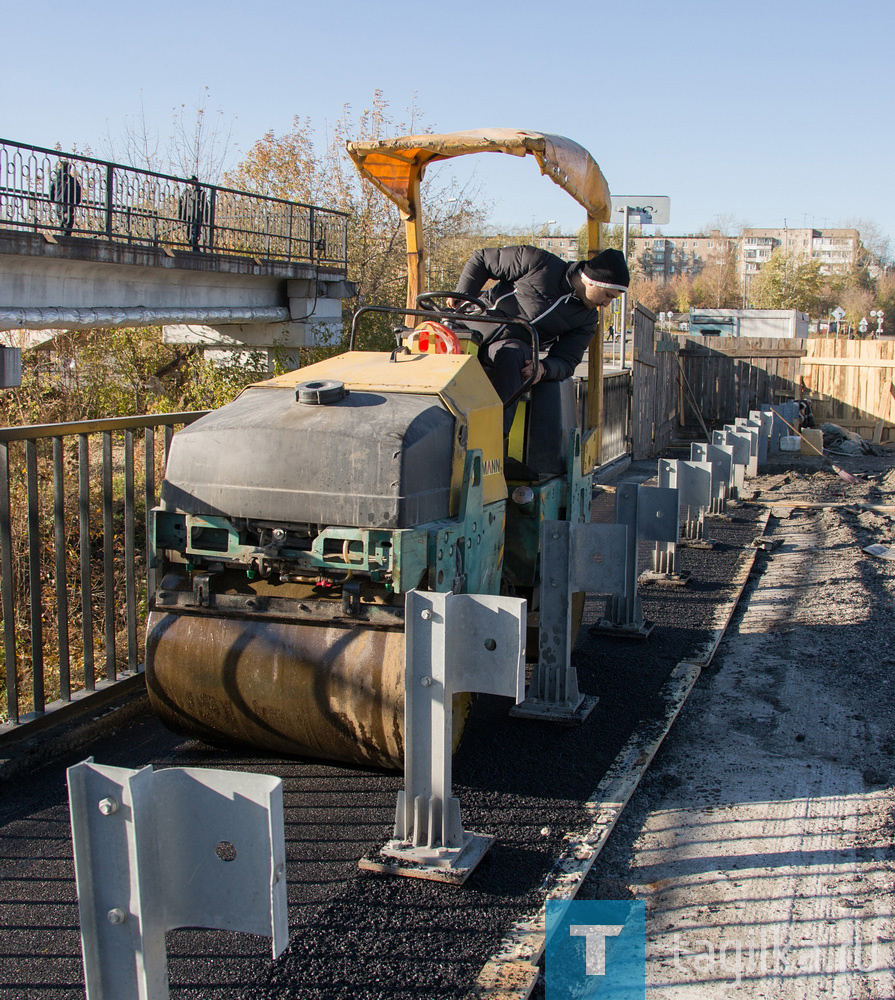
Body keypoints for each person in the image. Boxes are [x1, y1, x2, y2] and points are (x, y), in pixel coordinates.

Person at [450, 245, 629, 433]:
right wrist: (463, 294)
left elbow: (567, 360)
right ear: (592, 281)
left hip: (504, 347)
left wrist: (544, 369)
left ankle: (492, 439)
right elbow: (483, 259)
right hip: (472, 323)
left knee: (514, 356)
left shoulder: (587, 319)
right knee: (427, 339)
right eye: (608, 295)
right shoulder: (539, 262)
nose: (607, 304)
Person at [49, 162, 82, 237]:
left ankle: (63, 237)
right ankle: (66, 238)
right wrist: (74, 203)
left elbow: (51, 195)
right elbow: (78, 195)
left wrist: (55, 201)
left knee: (62, 224)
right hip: (69, 205)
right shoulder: (73, 181)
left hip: (59, 205)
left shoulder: (56, 180)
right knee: (68, 225)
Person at [178, 175, 207, 251]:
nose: (192, 184)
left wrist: (206, 218)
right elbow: (180, 204)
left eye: (193, 182)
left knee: (195, 233)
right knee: (189, 234)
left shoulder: (200, 193)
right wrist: (180, 216)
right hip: (188, 215)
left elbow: (205, 206)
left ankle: (196, 248)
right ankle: (195, 248)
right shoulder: (185, 193)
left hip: (197, 216)